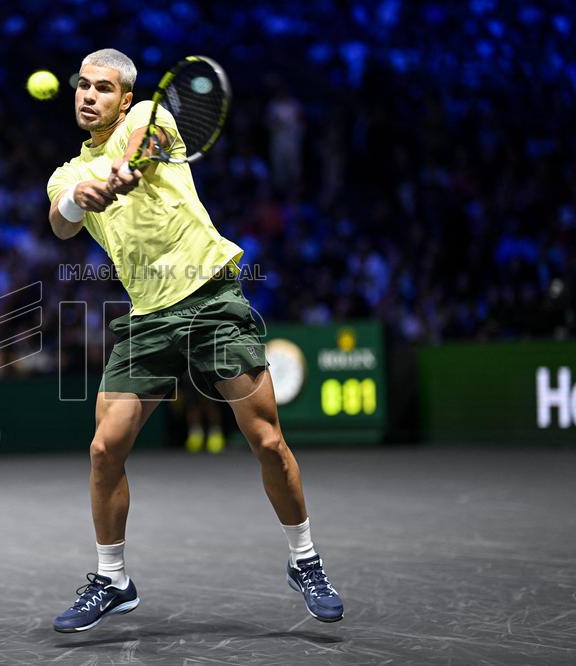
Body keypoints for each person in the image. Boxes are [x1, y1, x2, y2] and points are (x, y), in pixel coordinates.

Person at [46, 49, 343, 633]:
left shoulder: (147, 120)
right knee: (105, 450)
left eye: (102, 88)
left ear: (124, 98)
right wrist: (81, 198)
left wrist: (124, 170)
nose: (87, 95)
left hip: (212, 301)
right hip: (146, 317)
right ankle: (113, 579)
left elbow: (146, 143)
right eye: (82, 85)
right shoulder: (68, 172)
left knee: (266, 440)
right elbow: (60, 219)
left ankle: (305, 561)